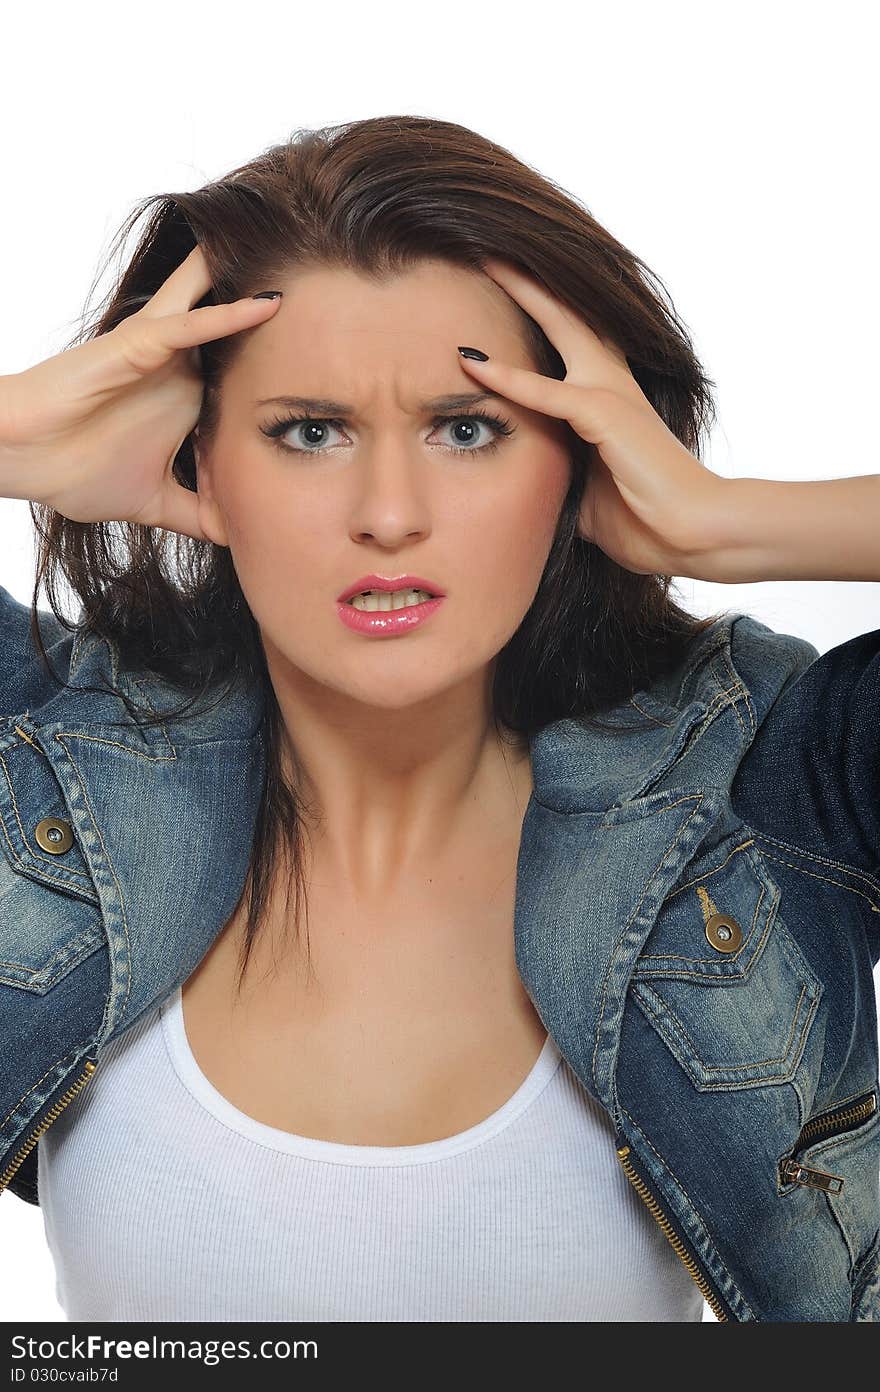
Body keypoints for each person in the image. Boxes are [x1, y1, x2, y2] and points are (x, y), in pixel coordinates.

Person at [0, 114, 877, 1323]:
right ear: (198, 455)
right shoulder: (41, 756)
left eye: (466, 429)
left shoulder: (764, 792)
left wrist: (733, 524)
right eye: (309, 431)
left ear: (573, 457)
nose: (389, 514)